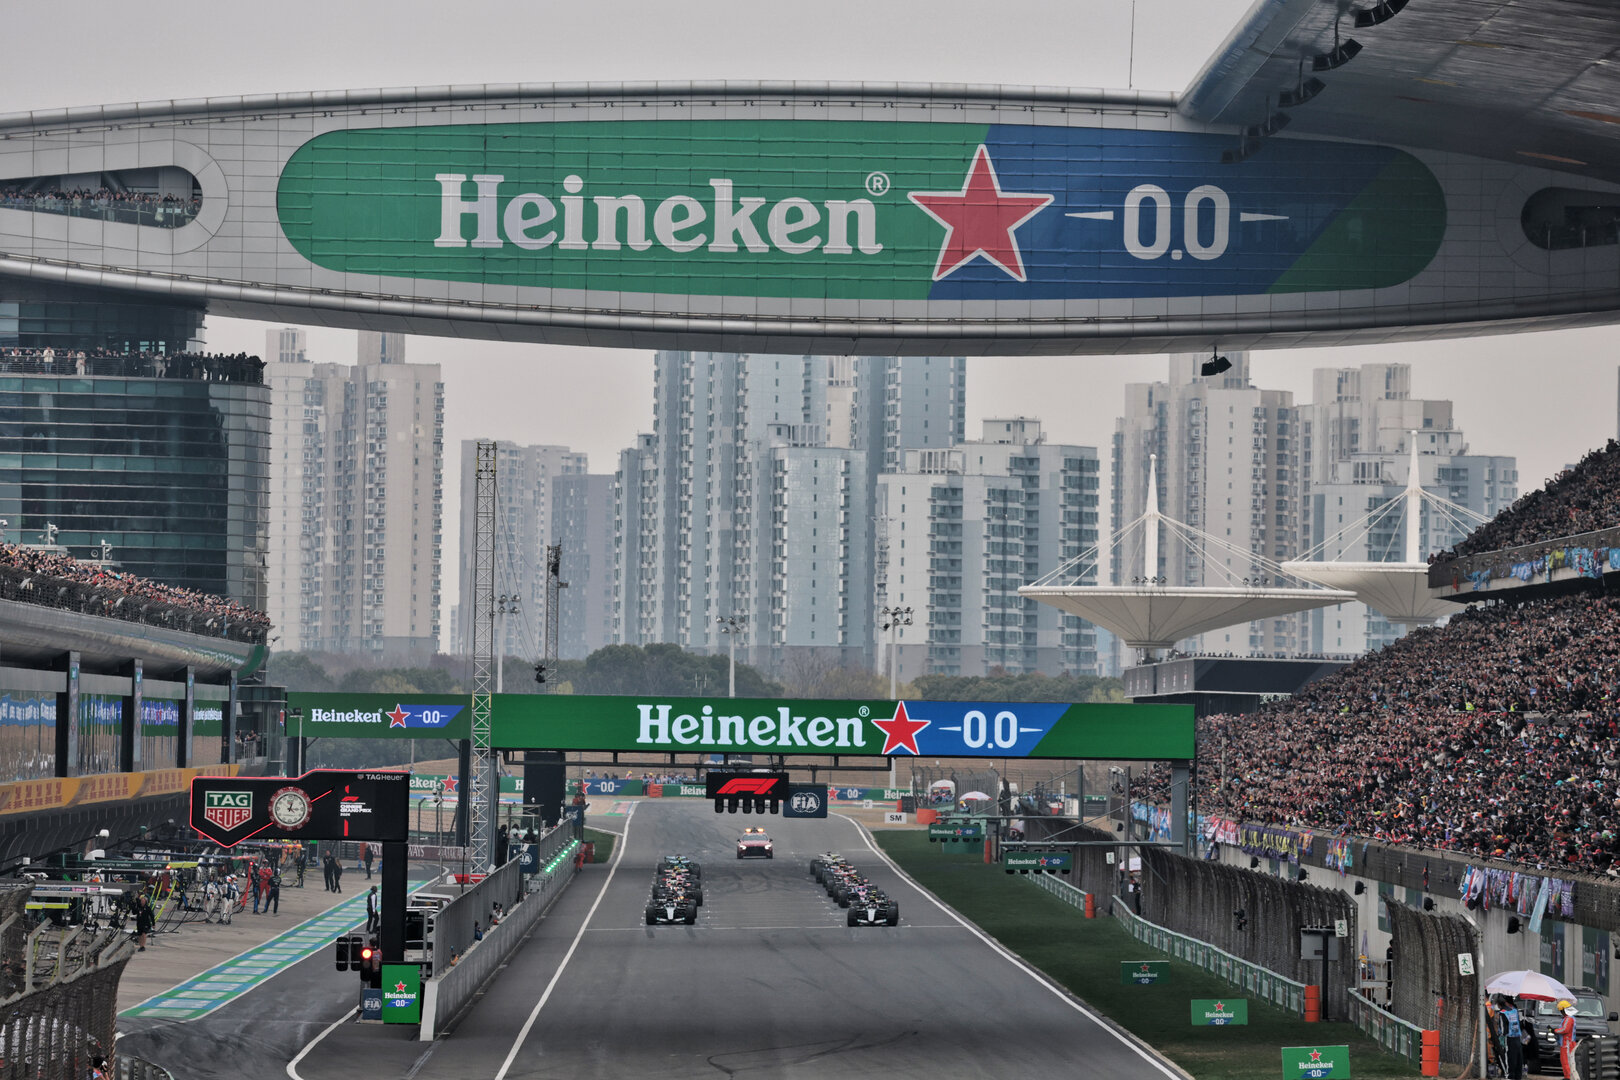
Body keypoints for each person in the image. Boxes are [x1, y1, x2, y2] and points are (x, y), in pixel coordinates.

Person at [1498, 995, 1525, 1080]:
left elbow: (1502, 1030)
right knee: (1517, 1061)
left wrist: (1500, 1037)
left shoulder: (1502, 1013)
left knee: (1509, 1061)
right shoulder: (1514, 1011)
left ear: (1499, 1004)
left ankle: (1509, 1077)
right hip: (1517, 1038)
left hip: (1508, 1039)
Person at [1557, 999, 1580, 1080]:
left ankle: (1568, 1077)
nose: (1561, 1012)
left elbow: (1564, 1030)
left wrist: (1554, 1030)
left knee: (1566, 1061)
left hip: (1567, 1043)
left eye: (1561, 1010)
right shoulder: (1569, 1018)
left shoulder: (1569, 1019)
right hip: (1567, 1043)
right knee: (1565, 1060)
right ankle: (1567, 1076)